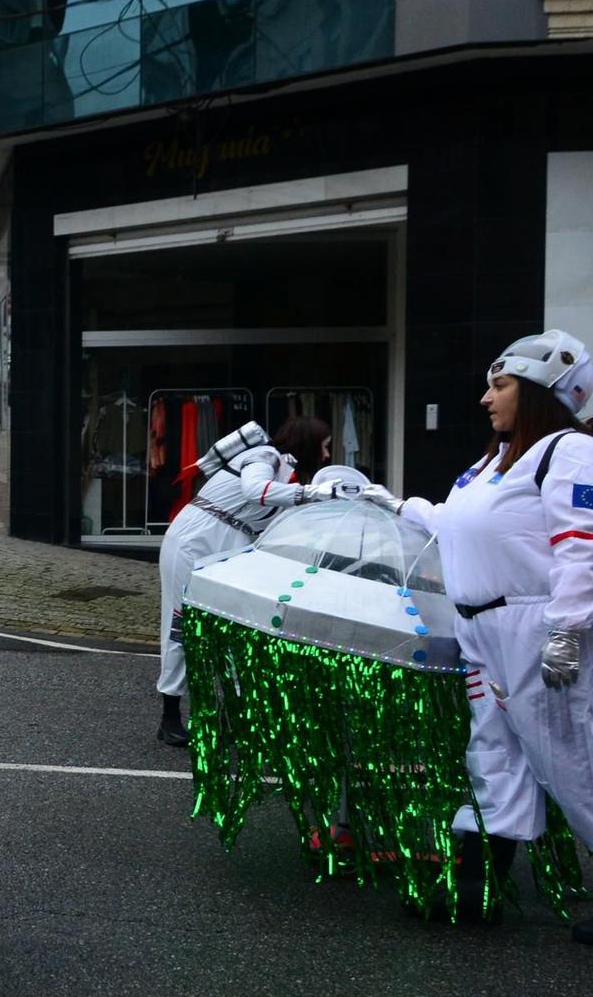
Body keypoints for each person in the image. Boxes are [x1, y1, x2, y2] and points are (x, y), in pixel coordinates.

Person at [375, 329, 593, 936]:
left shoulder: (569, 453)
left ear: (539, 393)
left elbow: (582, 549)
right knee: (494, 752)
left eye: (500, 386)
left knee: (572, 760)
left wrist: (567, 630)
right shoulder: (493, 462)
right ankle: (476, 889)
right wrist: (392, 504)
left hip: (536, 629)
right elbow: (452, 524)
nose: (486, 398)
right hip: (483, 632)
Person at [156, 416, 334, 746]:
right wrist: (312, 493)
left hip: (226, 548)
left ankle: (224, 716)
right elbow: (255, 491)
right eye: (324, 447)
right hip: (195, 540)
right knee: (181, 626)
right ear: (309, 443)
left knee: (230, 630)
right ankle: (169, 717)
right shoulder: (265, 456)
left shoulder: (287, 474)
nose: (326, 455)